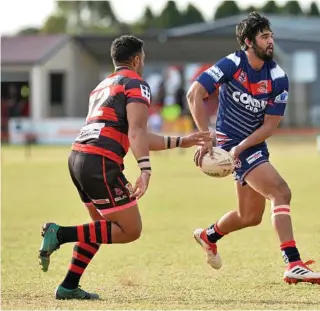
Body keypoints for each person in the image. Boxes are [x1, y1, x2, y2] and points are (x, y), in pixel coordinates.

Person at [38, 35, 211, 300]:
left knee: (98, 227)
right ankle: (59, 233)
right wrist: (145, 170)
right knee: (130, 230)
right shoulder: (136, 84)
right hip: (100, 160)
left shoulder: (102, 86)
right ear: (137, 59)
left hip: (78, 158)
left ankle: (69, 285)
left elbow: (136, 134)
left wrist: (181, 141)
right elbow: (137, 130)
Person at [186, 12, 320, 285]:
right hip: (228, 141)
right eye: (264, 36)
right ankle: (294, 263)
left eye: (271, 35)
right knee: (280, 191)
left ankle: (208, 236)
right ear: (248, 41)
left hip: (250, 145)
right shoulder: (232, 63)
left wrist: (241, 148)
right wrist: (207, 138)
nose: (270, 41)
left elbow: (270, 125)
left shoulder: (278, 77)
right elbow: (195, 93)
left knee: (249, 216)